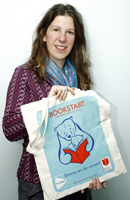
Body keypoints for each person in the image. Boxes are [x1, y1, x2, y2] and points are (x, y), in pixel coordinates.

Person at [2, 3, 106, 200]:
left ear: (75, 40)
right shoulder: (25, 74)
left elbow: (87, 130)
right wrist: (44, 106)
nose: (62, 38)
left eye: (70, 32)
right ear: (43, 34)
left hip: (78, 180)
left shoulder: (79, 77)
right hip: (37, 184)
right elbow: (9, 129)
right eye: (56, 30)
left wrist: (96, 168)